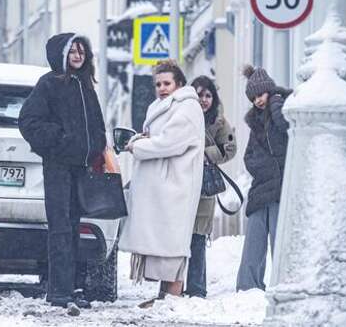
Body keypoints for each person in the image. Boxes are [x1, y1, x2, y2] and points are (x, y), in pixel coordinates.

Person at [18, 33, 106, 312]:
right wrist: (60, 139)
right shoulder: (49, 84)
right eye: (72, 52)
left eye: (81, 51)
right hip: (58, 165)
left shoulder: (84, 84)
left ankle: (72, 289)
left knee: (73, 227)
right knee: (59, 227)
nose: (78, 56)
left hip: (81, 167)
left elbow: (96, 123)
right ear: (61, 55)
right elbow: (28, 122)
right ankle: (58, 291)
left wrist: (98, 146)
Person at [118, 59, 205, 308]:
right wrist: (143, 139)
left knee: (173, 241)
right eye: (158, 84)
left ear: (179, 83)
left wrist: (138, 146)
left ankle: (173, 298)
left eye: (167, 83)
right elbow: (160, 137)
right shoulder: (162, 105)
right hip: (163, 184)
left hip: (176, 183)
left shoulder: (187, 107)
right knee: (163, 238)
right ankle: (163, 295)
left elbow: (171, 142)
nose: (162, 88)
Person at [236, 65, 292, 292]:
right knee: (254, 240)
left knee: (279, 240)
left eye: (261, 94)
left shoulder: (285, 109)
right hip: (261, 188)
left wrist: (277, 103)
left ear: (269, 91)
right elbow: (248, 157)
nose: (258, 100)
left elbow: (286, 128)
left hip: (280, 188)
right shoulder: (255, 123)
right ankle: (248, 287)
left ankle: (283, 285)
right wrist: (264, 169)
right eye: (254, 97)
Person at [185, 75, 237, 298]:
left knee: (198, 235)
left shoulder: (219, 122)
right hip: (182, 183)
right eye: (199, 94)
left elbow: (230, 148)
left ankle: (197, 287)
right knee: (178, 236)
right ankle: (172, 286)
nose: (203, 100)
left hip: (205, 186)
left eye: (208, 95)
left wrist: (207, 153)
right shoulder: (183, 117)